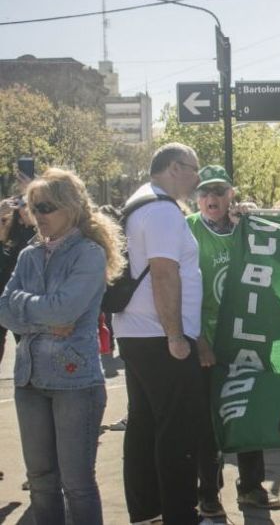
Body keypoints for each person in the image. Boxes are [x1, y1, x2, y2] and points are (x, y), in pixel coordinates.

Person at [0, 168, 125, 525]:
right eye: (32, 207)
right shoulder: (28, 254)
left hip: (75, 383)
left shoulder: (88, 253)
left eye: (46, 207)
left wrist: (29, 308)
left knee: (77, 485)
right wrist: (44, 314)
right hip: (29, 380)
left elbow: (65, 309)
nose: (37, 215)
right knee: (40, 483)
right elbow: (4, 310)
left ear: (70, 207)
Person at [113, 142, 205, 525]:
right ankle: (181, 514)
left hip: (136, 331)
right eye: (192, 169)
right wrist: (176, 335)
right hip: (160, 335)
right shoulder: (163, 211)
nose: (196, 178)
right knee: (177, 429)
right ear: (171, 167)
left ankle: (147, 511)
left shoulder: (139, 203)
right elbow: (164, 273)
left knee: (144, 425)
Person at [186, 165, 278, 519]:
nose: (212, 199)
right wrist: (199, 341)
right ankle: (208, 493)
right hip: (207, 341)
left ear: (231, 195)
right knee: (209, 425)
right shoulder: (188, 229)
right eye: (205, 193)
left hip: (247, 338)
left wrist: (254, 222)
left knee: (247, 415)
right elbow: (183, 291)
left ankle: (252, 488)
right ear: (198, 198)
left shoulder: (247, 226)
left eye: (219, 192)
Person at [0, 196, 36, 365]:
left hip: (25, 302)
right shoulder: (6, 236)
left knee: (30, 350)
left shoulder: (35, 234)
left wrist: (32, 220)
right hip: (3, 299)